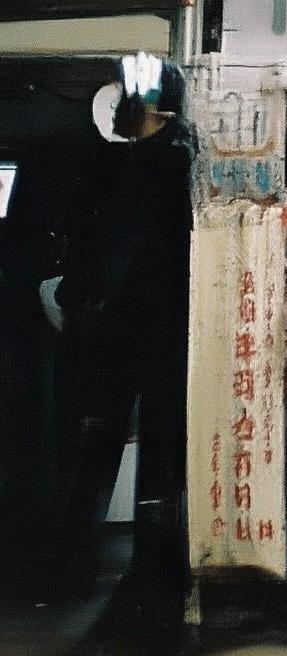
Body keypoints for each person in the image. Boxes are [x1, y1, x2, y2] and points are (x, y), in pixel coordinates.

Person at [51, 54, 196, 633]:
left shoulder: (122, 169)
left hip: (120, 334)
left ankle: (78, 569)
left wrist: (85, 305)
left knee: (100, 453)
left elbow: (97, 256)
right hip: (165, 333)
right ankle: (154, 575)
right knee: (159, 457)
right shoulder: (181, 166)